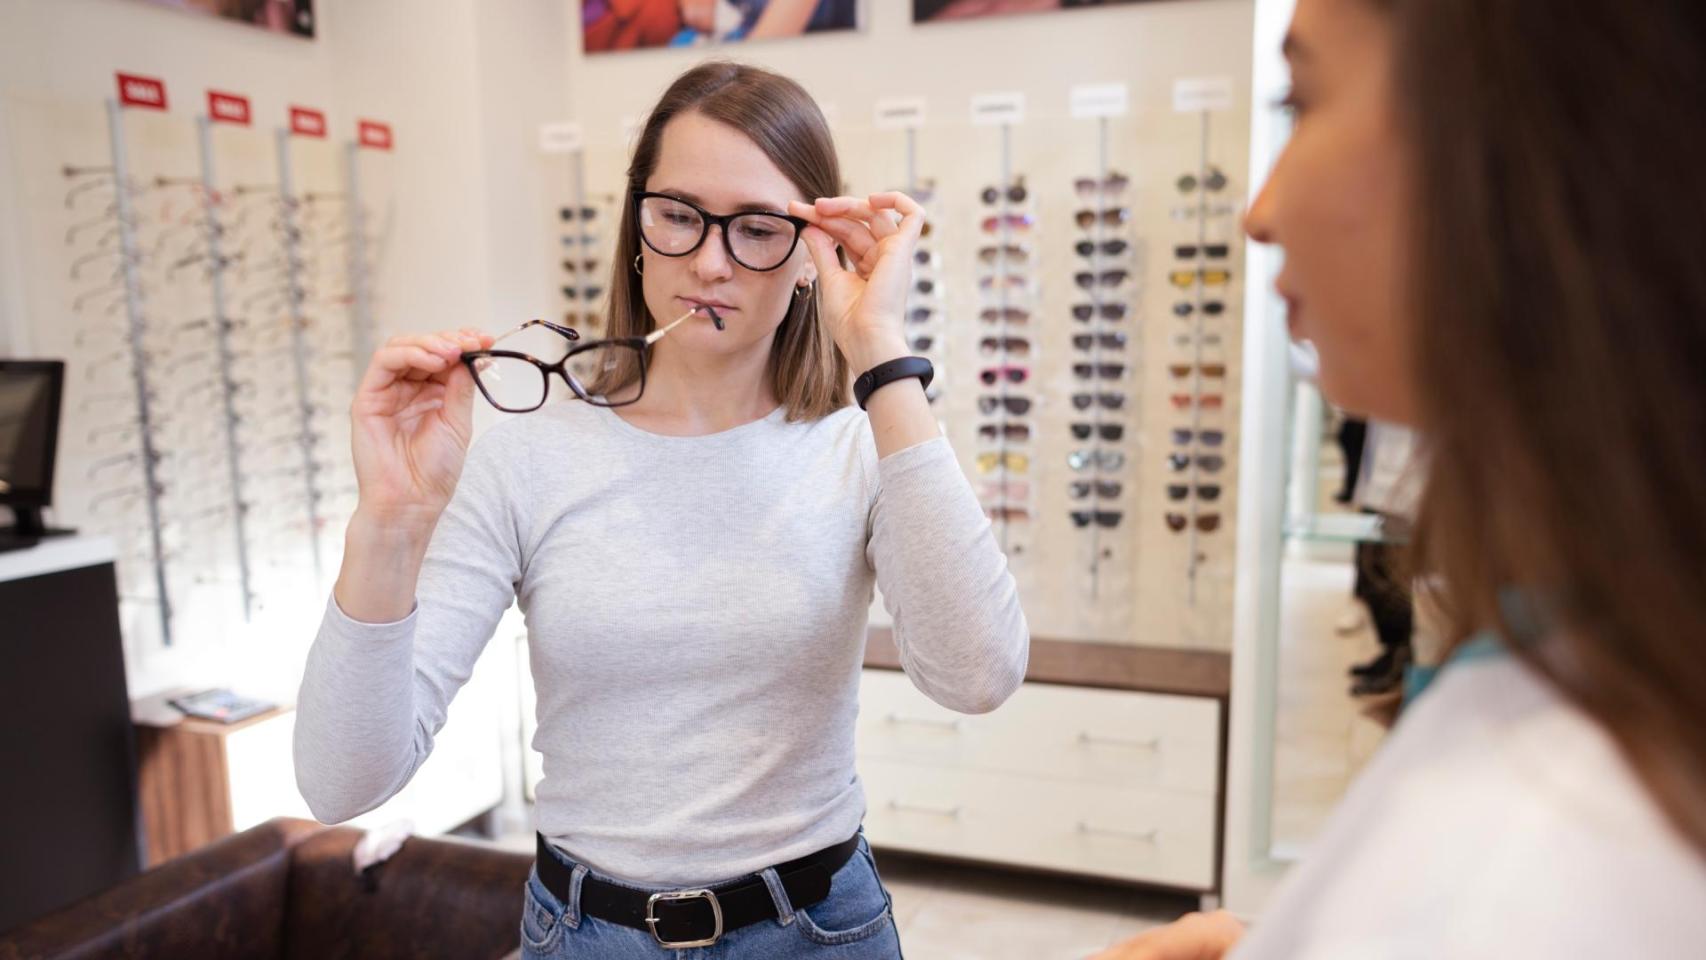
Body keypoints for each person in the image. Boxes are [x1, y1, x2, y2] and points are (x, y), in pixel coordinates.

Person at [293, 61, 1028, 958]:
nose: (710, 262)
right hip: (584, 933)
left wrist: (879, 352)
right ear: (637, 223)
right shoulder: (529, 448)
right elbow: (341, 780)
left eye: (759, 228)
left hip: (815, 931)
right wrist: (391, 524)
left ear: (811, 255)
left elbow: (979, 674)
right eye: (679, 215)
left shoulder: (858, 444)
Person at [1096, 0, 1706, 955]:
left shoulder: (1541, 839)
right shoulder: (1597, 699)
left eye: (1300, 102)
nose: (1260, 212)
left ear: (1527, 136)